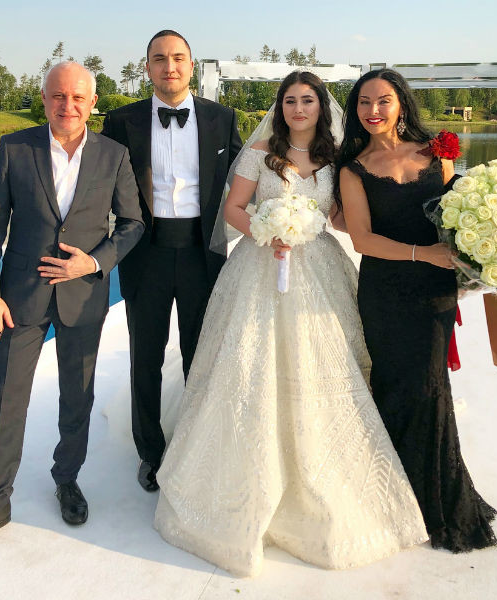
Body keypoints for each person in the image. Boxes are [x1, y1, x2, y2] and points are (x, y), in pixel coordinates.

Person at [153, 71, 428, 577]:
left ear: (322, 107)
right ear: (279, 107)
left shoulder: (337, 158)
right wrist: (264, 228)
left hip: (319, 267)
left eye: (308, 100)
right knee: (249, 362)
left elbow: (343, 219)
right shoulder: (260, 152)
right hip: (261, 265)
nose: (299, 108)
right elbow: (232, 208)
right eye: (290, 100)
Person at [0, 62, 144, 553]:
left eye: (77, 98)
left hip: (83, 296)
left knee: (77, 396)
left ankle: (66, 479)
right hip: (19, 295)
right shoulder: (13, 148)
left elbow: (132, 224)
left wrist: (93, 262)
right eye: (57, 96)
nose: (67, 106)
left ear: (92, 103)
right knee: (7, 402)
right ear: (44, 99)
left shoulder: (114, 155)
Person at [336, 68, 497, 552]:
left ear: (401, 104)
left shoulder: (438, 153)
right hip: (386, 290)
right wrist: (421, 253)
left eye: (383, 101)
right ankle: (394, 499)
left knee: (431, 386)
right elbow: (362, 238)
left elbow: (455, 219)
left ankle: (438, 501)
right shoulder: (354, 167)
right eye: (364, 103)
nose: (373, 111)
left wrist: (479, 261)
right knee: (394, 385)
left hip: (435, 291)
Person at [101, 30, 242, 492]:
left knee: (200, 356)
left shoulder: (223, 118)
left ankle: (197, 448)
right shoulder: (122, 121)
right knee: (146, 356)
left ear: (192, 65)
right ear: (147, 68)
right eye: (159, 59)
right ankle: (150, 453)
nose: (170, 67)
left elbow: (251, 176)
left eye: (178, 58)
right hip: (146, 252)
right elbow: (96, 185)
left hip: (205, 253)